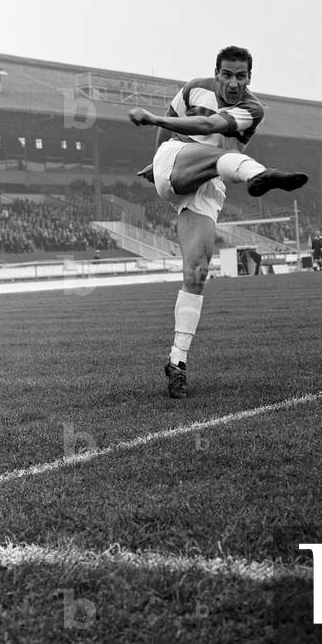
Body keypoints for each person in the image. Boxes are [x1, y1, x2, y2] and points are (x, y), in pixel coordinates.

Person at [131, 45, 307, 398]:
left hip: (209, 186)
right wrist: (156, 153)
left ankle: (176, 363)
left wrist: (156, 119)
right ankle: (261, 173)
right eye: (226, 74)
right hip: (176, 159)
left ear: (249, 78)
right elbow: (173, 126)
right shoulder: (194, 87)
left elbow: (210, 123)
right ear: (216, 73)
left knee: (196, 272)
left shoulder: (252, 109)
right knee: (223, 156)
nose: (232, 82)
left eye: (240, 76)